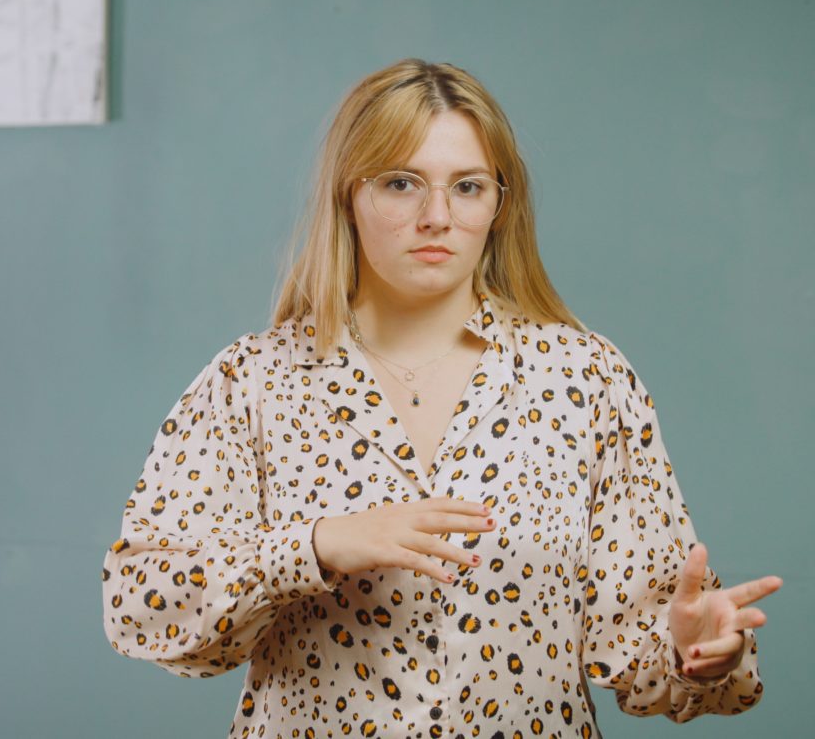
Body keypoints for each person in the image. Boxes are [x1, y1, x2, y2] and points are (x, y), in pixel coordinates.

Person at [101, 58, 782, 737]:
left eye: (467, 186)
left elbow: (643, 651)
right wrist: (313, 546)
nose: (437, 216)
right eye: (402, 183)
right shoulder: (250, 382)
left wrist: (698, 656)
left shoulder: (585, 378)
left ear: (498, 203)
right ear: (349, 195)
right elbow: (141, 610)